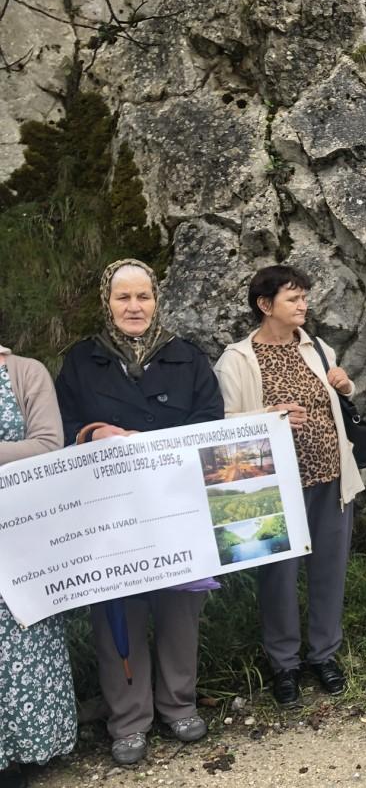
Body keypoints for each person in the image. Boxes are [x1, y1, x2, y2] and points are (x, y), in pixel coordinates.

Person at [55, 259, 223, 765]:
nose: (134, 307)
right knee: (117, 612)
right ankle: (128, 720)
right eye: (123, 298)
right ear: (107, 302)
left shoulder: (187, 356)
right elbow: (63, 429)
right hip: (111, 513)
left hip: (176, 503)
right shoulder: (81, 361)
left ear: (156, 299)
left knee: (179, 608)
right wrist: (92, 433)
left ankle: (178, 704)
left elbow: (211, 420)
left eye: (143, 297)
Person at [214, 265, 365, 707]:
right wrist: (269, 417)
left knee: (329, 569)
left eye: (304, 298)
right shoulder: (238, 360)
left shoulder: (319, 349)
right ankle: (283, 664)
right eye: (293, 299)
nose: (304, 306)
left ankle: (324, 655)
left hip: (331, 477)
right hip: (271, 486)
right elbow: (222, 427)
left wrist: (345, 383)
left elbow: (338, 400)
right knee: (277, 575)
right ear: (265, 305)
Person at [0, 346, 76, 788]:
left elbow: (49, 444)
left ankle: (27, 748)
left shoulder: (25, 372)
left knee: (23, 633)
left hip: (19, 530)